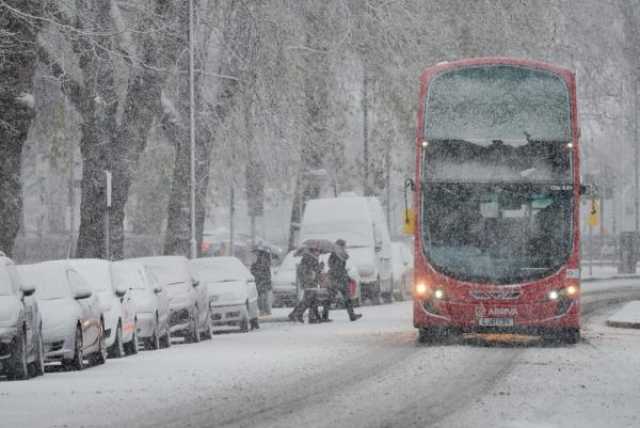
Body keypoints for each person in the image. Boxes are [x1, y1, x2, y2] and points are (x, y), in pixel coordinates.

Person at [322, 239, 362, 322]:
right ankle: (351, 315)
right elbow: (338, 268)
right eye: (344, 245)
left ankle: (325, 316)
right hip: (339, 279)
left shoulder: (336, 254)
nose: (345, 247)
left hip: (335, 278)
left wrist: (346, 277)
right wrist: (342, 276)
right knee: (345, 298)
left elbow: (333, 266)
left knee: (330, 298)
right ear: (341, 246)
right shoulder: (338, 254)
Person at [288, 247, 322, 323]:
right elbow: (315, 271)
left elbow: (307, 270)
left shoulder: (307, 258)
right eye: (318, 251)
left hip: (308, 282)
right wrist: (320, 267)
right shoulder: (311, 259)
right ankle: (296, 314)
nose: (319, 253)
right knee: (307, 301)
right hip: (310, 282)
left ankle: (314, 317)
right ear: (314, 252)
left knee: (312, 300)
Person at [250, 247, 272, 316]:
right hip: (264, 280)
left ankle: (263, 311)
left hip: (261, 281)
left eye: (255, 252)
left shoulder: (261, 260)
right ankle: (266, 310)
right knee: (264, 296)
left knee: (261, 297)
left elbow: (259, 270)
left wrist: (253, 270)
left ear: (258, 252)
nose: (254, 254)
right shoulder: (265, 259)